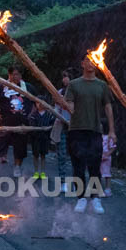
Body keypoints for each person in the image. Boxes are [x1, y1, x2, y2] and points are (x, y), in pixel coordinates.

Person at [65, 55, 115, 214]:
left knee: (95, 166)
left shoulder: (102, 86)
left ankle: (95, 198)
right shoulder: (73, 84)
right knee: (78, 166)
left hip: (95, 130)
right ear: (82, 63)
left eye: (93, 60)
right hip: (76, 130)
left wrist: (112, 130)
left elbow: (108, 108)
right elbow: (70, 105)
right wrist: (67, 105)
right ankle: (81, 198)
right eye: (87, 60)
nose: (90, 63)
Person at [29, 99, 56, 179]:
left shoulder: (49, 115)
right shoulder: (33, 114)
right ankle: (36, 172)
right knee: (35, 155)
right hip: (35, 138)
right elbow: (31, 125)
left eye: (41, 102)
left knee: (43, 155)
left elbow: (52, 124)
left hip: (45, 138)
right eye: (37, 102)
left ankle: (43, 172)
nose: (39, 104)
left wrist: (48, 129)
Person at [100, 119, 116, 196]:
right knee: (97, 172)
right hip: (98, 157)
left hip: (106, 158)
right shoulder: (97, 137)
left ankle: (108, 189)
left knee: (107, 173)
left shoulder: (109, 137)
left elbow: (113, 147)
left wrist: (107, 154)